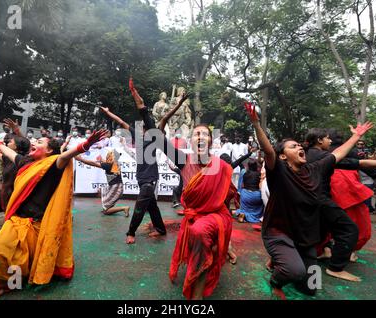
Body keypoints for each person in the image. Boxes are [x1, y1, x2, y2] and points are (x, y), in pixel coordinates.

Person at [244, 101, 373, 299]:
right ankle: (276, 278)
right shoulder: (278, 171)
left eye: (299, 145)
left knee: (311, 287)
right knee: (294, 271)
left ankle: (283, 259)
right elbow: (269, 151)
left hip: (305, 238)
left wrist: (356, 135)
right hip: (279, 233)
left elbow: (337, 153)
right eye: (293, 147)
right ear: (283, 157)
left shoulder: (315, 169)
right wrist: (256, 125)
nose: (299, 147)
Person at [0, 128, 107, 299]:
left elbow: (65, 156)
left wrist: (86, 144)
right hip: (15, 221)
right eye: (34, 141)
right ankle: (5, 282)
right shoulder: (25, 163)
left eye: (39, 142)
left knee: (19, 257)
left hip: (36, 224)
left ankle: (12, 283)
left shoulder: (53, 165)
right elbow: (7, 151)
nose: (34, 142)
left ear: (49, 150)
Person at [130, 78, 233, 300]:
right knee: (200, 239)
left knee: (200, 234)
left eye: (205, 134)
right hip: (195, 217)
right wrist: (142, 109)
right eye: (197, 134)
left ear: (211, 141)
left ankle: (196, 298)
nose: (201, 136)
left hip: (216, 217)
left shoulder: (222, 166)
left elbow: (226, 199)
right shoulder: (183, 160)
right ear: (191, 140)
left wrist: (227, 237)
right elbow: (157, 136)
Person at [305, 128, 376, 280]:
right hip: (338, 194)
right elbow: (363, 165)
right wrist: (356, 136)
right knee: (350, 229)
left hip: (318, 196)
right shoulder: (327, 155)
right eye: (327, 139)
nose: (330, 141)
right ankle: (337, 265)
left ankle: (325, 250)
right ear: (320, 140)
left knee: (322, 227)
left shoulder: (308, 153)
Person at [99, 104, 167, 245]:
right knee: (152, 206)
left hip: (150, 180)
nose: (143, 130)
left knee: (140, 207)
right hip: (141, 179)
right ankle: (161, 229)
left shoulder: (156, 139)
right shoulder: (139, 138)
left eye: (145, 128)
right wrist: (108, 112)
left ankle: (131, 232)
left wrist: (178, 104)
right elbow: (121, 122)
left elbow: (165, 119)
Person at [75, 150, 130, 217]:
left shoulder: (109, 165)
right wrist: (101, 159)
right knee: (104, 194)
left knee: (106, 211)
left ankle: (124, 208)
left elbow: (94, 163)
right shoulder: (114, 164)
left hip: (116, 187)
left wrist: (81, 159)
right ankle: (108, 208)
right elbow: (105, 163)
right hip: (116, 186)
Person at [235, 159, 264, 224]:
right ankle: (254, 216)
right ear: (256, 166)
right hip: (256, 196)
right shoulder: (259, 174)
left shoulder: (245, 174)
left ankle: (244, 214)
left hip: (245, 195)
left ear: (248, 166)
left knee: (243, 194)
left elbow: (242, 185)